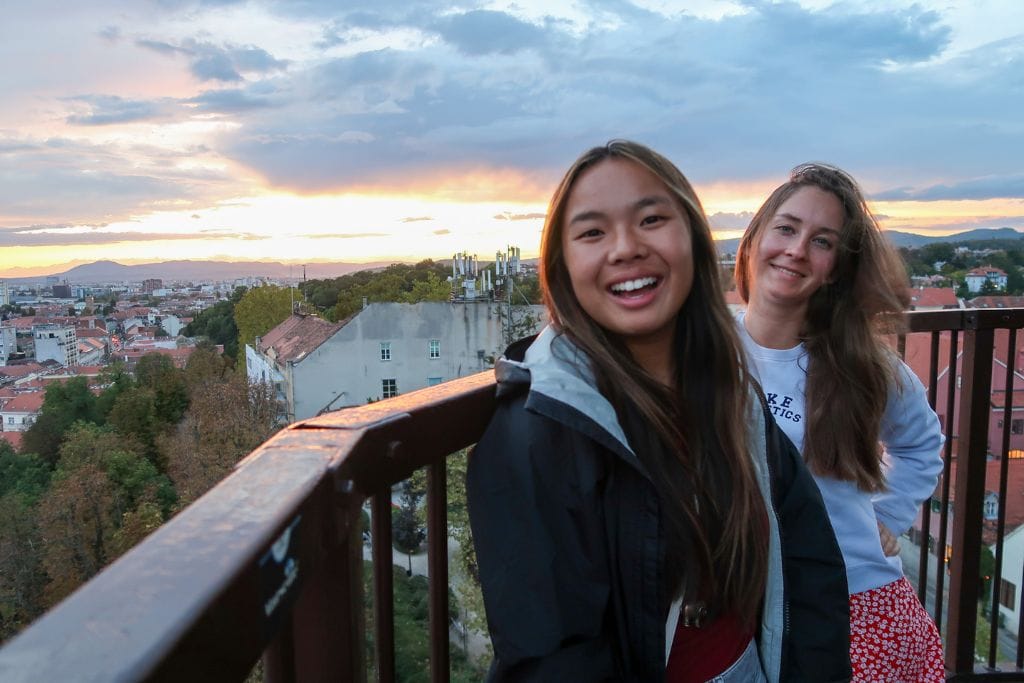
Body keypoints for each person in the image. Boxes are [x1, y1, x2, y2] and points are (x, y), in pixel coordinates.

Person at [467, 140, 851, 682]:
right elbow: (555, 658)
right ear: (563, 265)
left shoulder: (730, 394)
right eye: (593, 232)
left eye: (651, 218)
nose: (625, 248)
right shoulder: (539, 431)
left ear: (692, 238)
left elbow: (810, 568)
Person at [734, 162, 946, 681]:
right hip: (753, 609)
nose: (797, 249)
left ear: (836, 268)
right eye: (786, 227)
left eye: (822, 241)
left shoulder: (861, 364)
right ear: (755, 237)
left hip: (860, 609)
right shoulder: (708, 348)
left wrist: (890, 515)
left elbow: (923, 444)